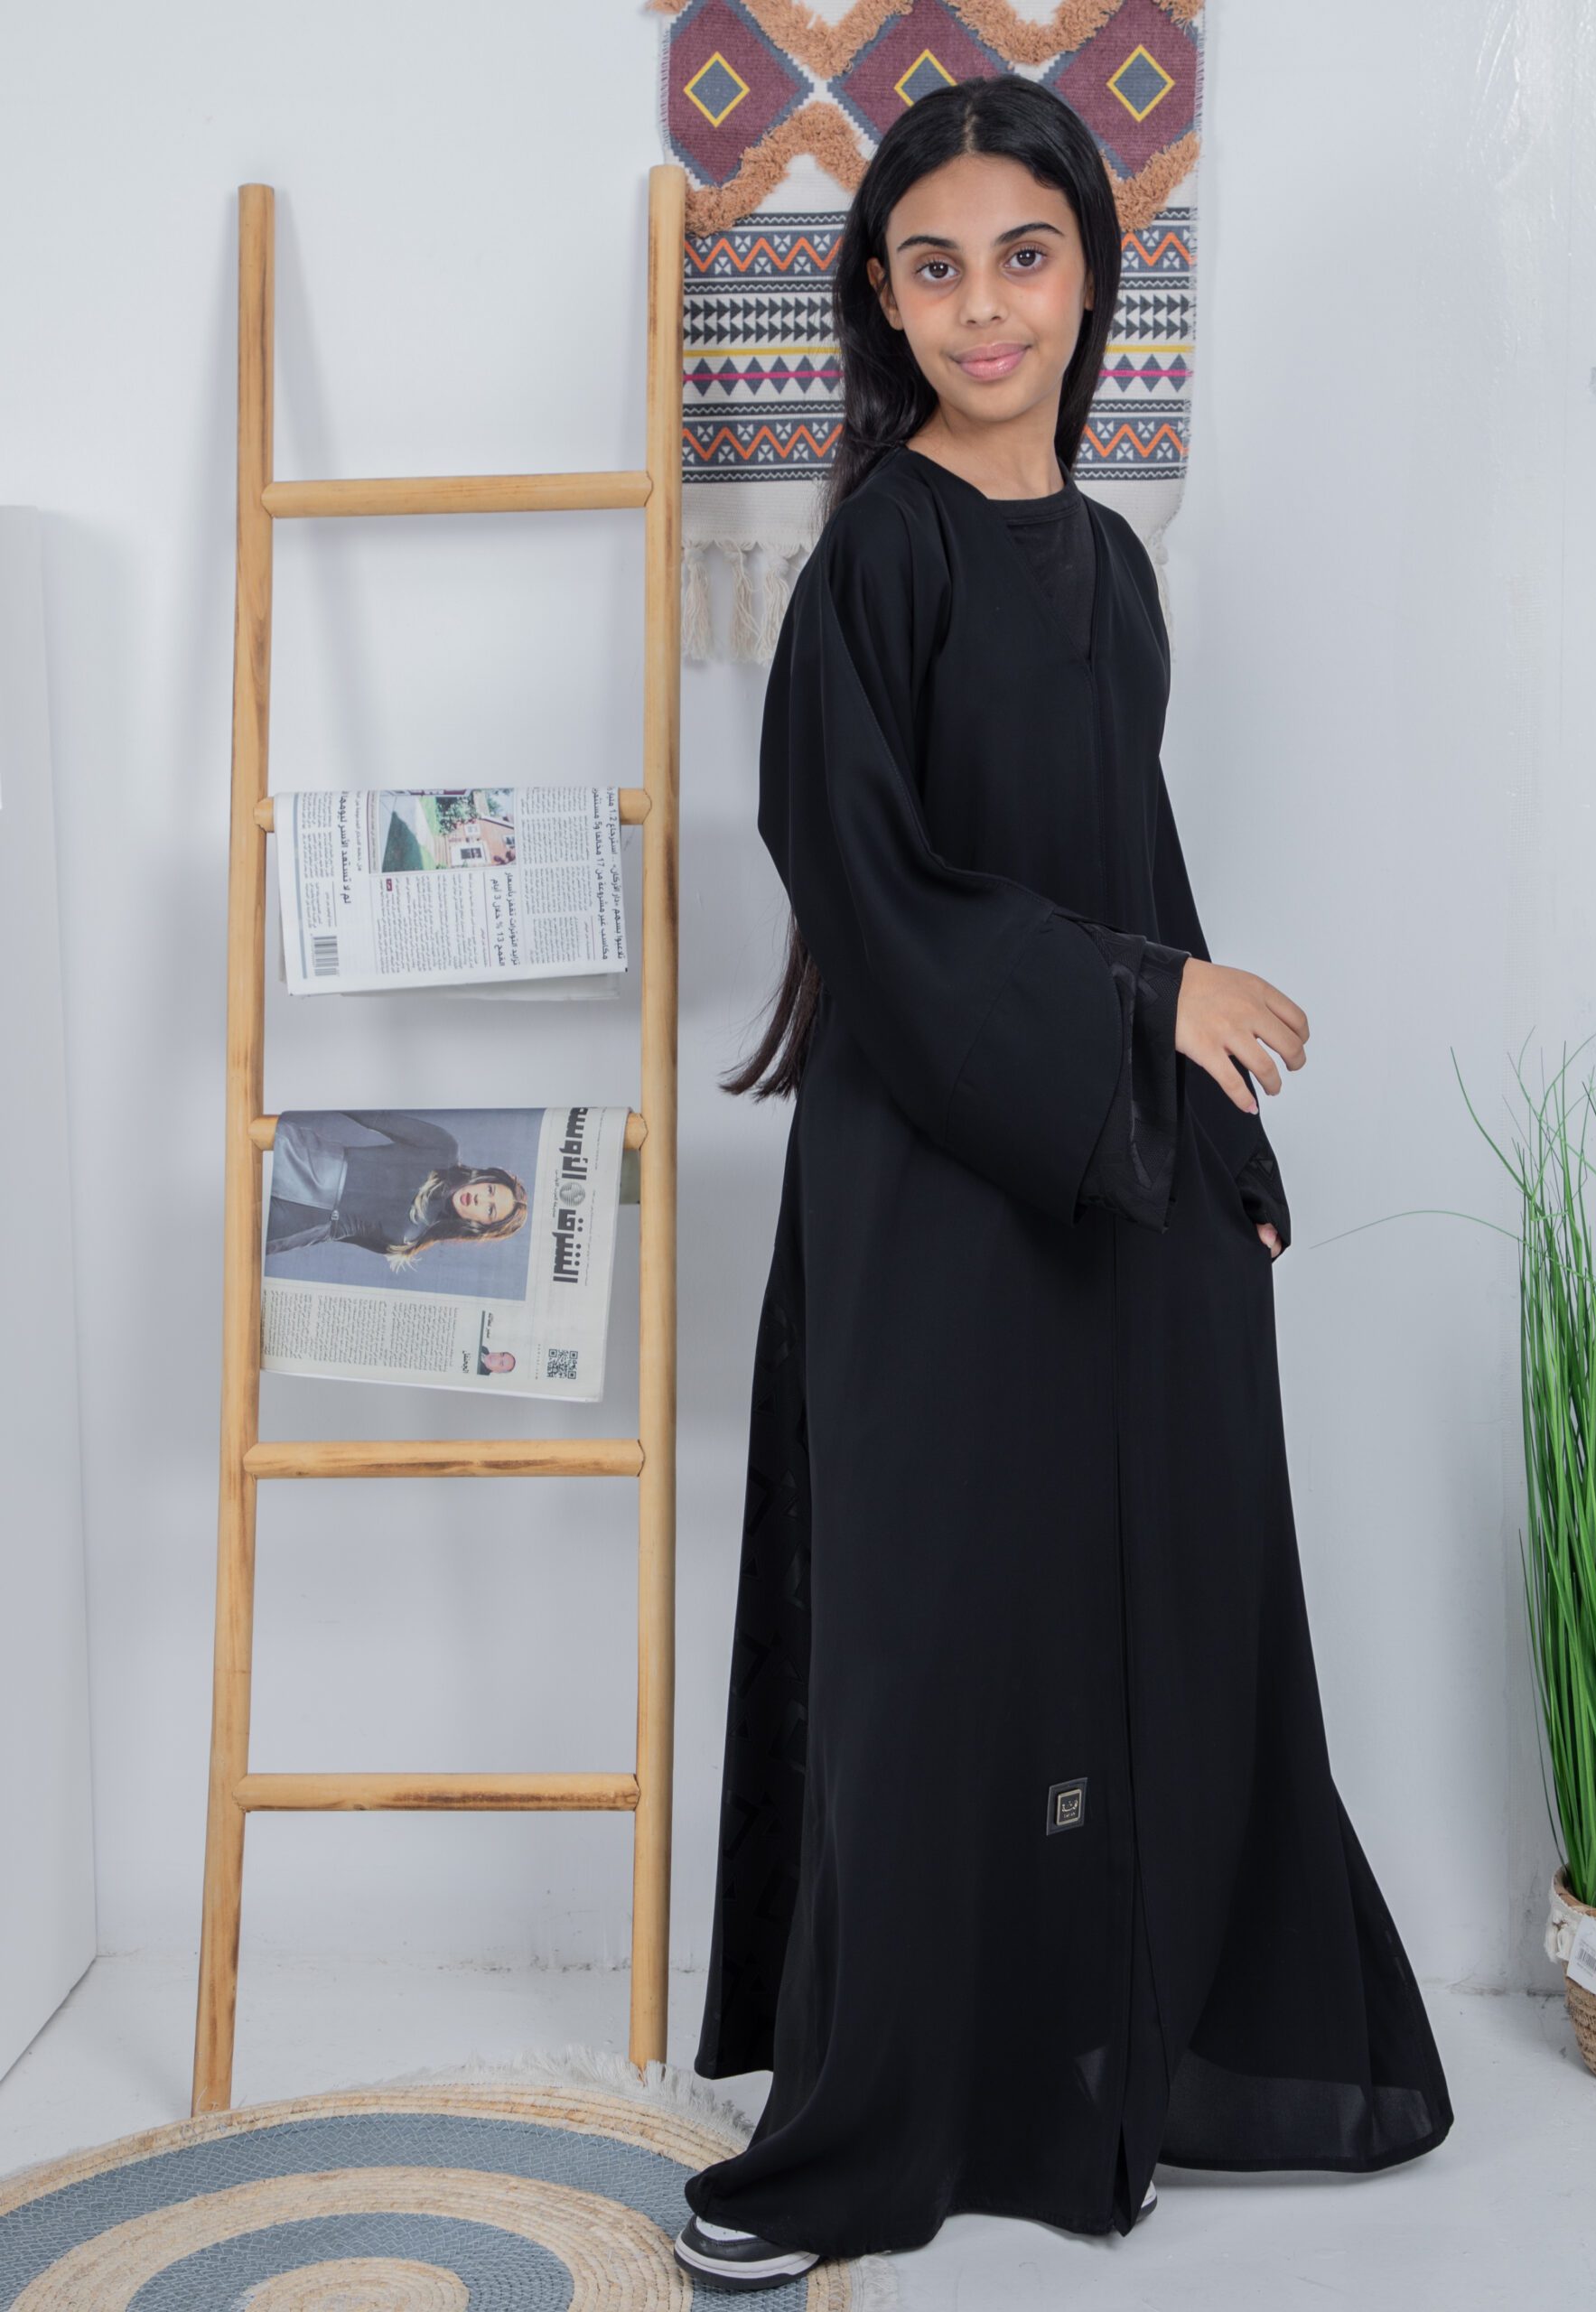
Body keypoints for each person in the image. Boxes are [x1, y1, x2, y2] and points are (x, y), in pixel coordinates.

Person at [675, 74, 1454, 2293]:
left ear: (1095, 275)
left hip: (1100, 1160)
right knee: (931, 1657)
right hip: (929, 1183)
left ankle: (1100, 2065)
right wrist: (1144, 999)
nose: (982, 306)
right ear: (880, 293)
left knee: (1134, 1622)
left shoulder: (1108, 559)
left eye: (1023, 255)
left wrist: (1221, 1133)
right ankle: (863, 2133)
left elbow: (1131, 864)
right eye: (932, 266)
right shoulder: (876, 552)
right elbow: (867, 883)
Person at [263, 1109, 528, 1269]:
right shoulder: (444, 1148)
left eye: (490, 1210)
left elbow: (344, 1235)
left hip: (301, 1226)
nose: (481, 1199)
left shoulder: (418, 1240)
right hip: (308, 1162)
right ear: (485, 1178)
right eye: (490, 1190)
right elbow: (377, 1117)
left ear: (481, 1225)